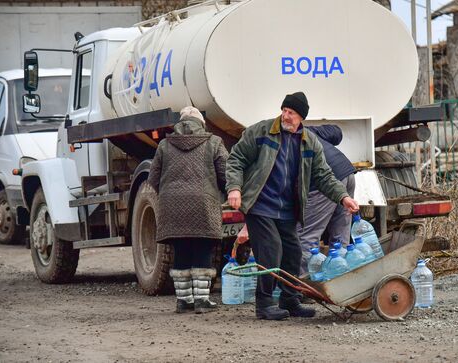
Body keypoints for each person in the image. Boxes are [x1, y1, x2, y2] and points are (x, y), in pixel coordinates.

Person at [226, 92, 359, 320]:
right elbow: (236, 158)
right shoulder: (261, 131)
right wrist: (234, 188)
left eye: (292, 113)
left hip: (288, 209)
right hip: (260, 205)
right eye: (285, 111)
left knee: (293, 253)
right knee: (270, 250)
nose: (286, 116)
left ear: (301, 118)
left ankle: (289, 299)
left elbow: (323, 174)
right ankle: (264, 304)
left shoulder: (309, 141)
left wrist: (342, 197)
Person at [148, 106, 228, 314]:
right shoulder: (213, 142)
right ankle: (202, 300)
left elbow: (153, 179)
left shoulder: (164, 145)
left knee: (181, 248)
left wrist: (169, 194)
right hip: (203, 203)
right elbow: (225, 175)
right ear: (201, 123)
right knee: (202, 247)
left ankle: (183, 300)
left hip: (172, 205)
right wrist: (222, 194)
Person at [298, 125, 356, 275]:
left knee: (305, 237)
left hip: (324, 183)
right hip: (346, 172)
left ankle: (305, 287)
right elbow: (336, 132)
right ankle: (342, 281)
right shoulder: (307, 130)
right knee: (340, 239)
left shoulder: (280, 141)